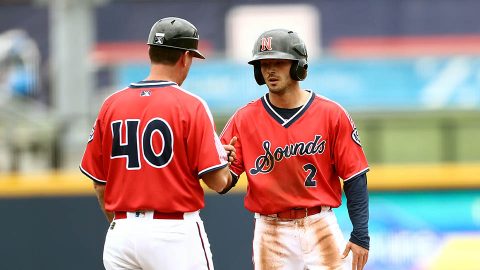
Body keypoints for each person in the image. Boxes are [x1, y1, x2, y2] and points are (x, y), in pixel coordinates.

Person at [80, 17, 236, 270]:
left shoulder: (112, 104)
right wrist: (224, 164)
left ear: (150, 51)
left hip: (121, 234)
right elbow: (218, 182)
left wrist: (124, 222)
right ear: (186, 57)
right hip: (173, 232)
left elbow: (99, 183)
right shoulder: (190, 104)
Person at [219, 29, 370, 270]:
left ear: (299, 66)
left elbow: (355, 177)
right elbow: (224, 183)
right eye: (264, 63)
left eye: (279, 62)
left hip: (320, 222)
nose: (270, 70)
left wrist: (361, 234)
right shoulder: (244, 118)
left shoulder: (331, 114)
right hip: (271, 230)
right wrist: (221, 165)